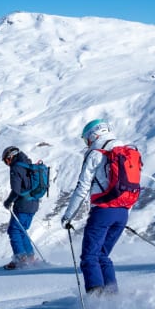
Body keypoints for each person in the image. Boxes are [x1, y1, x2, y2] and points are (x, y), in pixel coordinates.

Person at [61, 119, 131, 296]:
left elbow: (82, 187)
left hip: (103, 211)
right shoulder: (126, 151)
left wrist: (68, 216)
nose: (87, 144)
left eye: (86, 140)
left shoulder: (95, 154)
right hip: (122, 212)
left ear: (93, 135)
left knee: (90, 257)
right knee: (102, 255)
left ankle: (96, 300)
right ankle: (112, 297)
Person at [1, 145, 40, 269]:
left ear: (11, 157)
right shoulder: (27, 164)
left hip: (23, 204)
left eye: (6, 160)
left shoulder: (16, 167)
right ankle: (30, 257)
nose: (6, 163)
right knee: (22, 230)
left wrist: (8, 202)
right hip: (33, 203)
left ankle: (21, 259)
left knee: (14, 230)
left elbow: (16, 190)